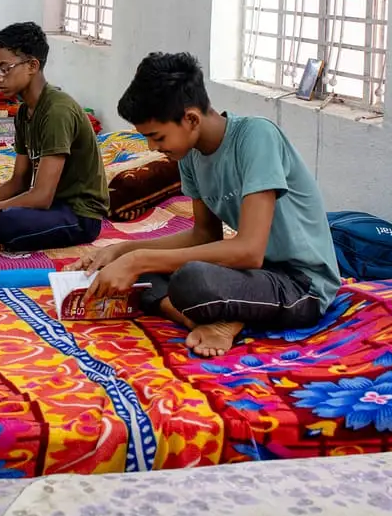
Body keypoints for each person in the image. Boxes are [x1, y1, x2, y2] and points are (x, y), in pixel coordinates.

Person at [81, 52, 341, 357]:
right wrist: (124, 251)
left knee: (190, 279)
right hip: (250, 276)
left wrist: (139, 259)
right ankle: (200, 320)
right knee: (141, 275)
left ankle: (218, 317)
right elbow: (204, 235)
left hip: (300, 283)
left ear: (191, 119)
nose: (152, 148)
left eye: (157, 137)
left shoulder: (257, 137)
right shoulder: (190, 156)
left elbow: (249, 251)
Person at [0, 23, 109, 252]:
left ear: (32, 66)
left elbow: (41, 196)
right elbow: (19, 182)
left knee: (6, 223)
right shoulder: (24, 112)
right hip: (46, 207)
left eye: (5, 68)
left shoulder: (57, 111)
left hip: (77, 213)